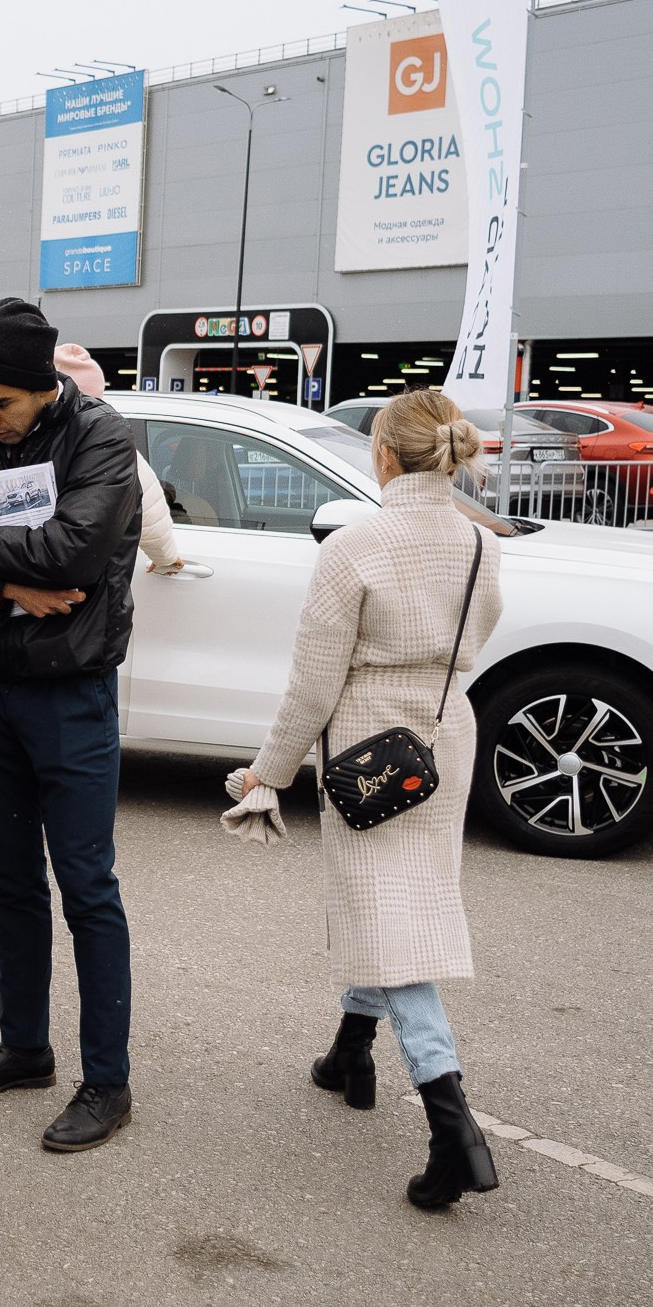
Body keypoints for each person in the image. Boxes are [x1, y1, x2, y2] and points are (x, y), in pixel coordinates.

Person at [230, 387, 506, 1210]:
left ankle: (450, 1120)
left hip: (365, 742)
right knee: (396, 901)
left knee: (392, 922)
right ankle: (349, 1051)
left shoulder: (354, 545)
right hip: (442, 733)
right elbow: (480, 634)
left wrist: (267, 774)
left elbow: (313, 683)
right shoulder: (480, 544)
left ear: (383, 454)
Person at [0, 298, 143, 1153]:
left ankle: (107, 1082)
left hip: (72, 694)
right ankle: (24, 1047)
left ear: (42, 388)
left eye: (1, 404)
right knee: (12, 884)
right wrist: (6, 587)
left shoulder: (102, 440)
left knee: (87, 890)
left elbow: (76, 553)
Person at [52, 344, 182, 573]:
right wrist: (166, 558)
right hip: (93, 577)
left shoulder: (26, 438)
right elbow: (151, 513)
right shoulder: (114, 445)